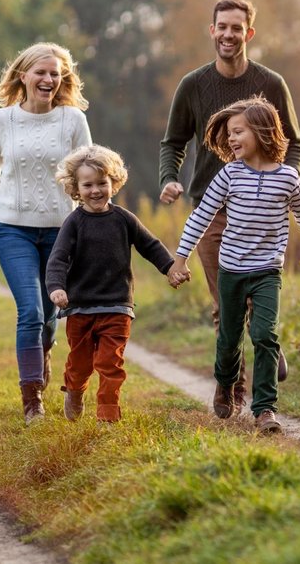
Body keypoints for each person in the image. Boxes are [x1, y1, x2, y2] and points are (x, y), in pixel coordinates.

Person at [159, 0, 300, 415]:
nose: (228, 34)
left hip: (262, 209)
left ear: (249, 33)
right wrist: (169, 178)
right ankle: (230, 391)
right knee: (226, 306)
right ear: (212, 31)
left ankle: (266, 349)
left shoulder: (271, 83)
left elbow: (294, 144)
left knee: (260, 300)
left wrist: (282, 183)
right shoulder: (193, 85)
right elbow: (173, 142)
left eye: (236, 28)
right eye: (221, 27)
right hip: (211, 207)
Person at [169, 96, 300, 434]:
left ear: (261, 132)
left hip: (267, 271)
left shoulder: (288, 178)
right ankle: (226, 384)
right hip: (231, 270)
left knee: (265, 335)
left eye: (237, 132)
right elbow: (201, 216)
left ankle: (265, 410)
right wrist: (180, 257)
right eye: (229, 134)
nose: (231, 139)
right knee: (229, 339)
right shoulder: (229, 176)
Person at [0, 42, 92, 425]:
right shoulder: (2, 121)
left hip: (61, 233)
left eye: (56, 73)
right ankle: (32, 399)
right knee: (30, 311)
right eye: (41, 72)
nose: (49, 79)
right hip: (12, 229)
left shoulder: (71, 121)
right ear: (23, 75)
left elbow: (88, 171)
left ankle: (43, 352)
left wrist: (95, 221)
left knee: (50, 317)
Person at [45, 145, 183, 423]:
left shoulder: (124, 219)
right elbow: (57, 259)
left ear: (114, 182)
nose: (95, 190)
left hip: (118, 305)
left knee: (110, 363)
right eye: (88, 185)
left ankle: (107, 415)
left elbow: (150, 245)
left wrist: (170, 268)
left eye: (102, 183)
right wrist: (56, 287)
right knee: (81, 363)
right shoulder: (74, 223)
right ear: (76, 188)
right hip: (80, 307)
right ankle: (74, 389)